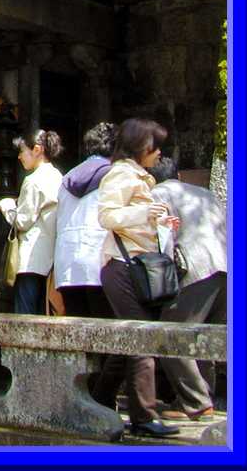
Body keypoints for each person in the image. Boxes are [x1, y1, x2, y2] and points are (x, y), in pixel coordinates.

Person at [92, 118, 181, 438]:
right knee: (142, 339)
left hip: (138, 265)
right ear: (145, 148)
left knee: (127, 341)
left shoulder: (140, 177)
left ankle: (99, 400)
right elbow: (107, 216)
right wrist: (145, 213)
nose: (159, 155)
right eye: (156, 148)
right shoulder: (121, 175)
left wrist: (159, 222)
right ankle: (143, 416)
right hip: (123, 266)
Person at [150, 157, 226, 422]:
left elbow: (163, 235)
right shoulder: (206, 194)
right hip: (226, 267)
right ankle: (205, 399)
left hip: (197, 268)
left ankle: (196, 402)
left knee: (170, 335)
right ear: (179, 175)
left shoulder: (157, 193)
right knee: (204, 339)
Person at [0, 129, 64, 315]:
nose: (19, 157)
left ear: (37, 150)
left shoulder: (33, 180)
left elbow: (22, 221)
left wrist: (5, 205)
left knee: (25, 315)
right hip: (50, 258)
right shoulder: (57, 176)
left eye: (22, 151)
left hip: (31, 259)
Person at [54, 123, 116, 319]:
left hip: (67, 263)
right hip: (99, 260)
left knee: (78, 328)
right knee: (107, 330)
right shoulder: (113, 175)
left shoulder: (66, 178)